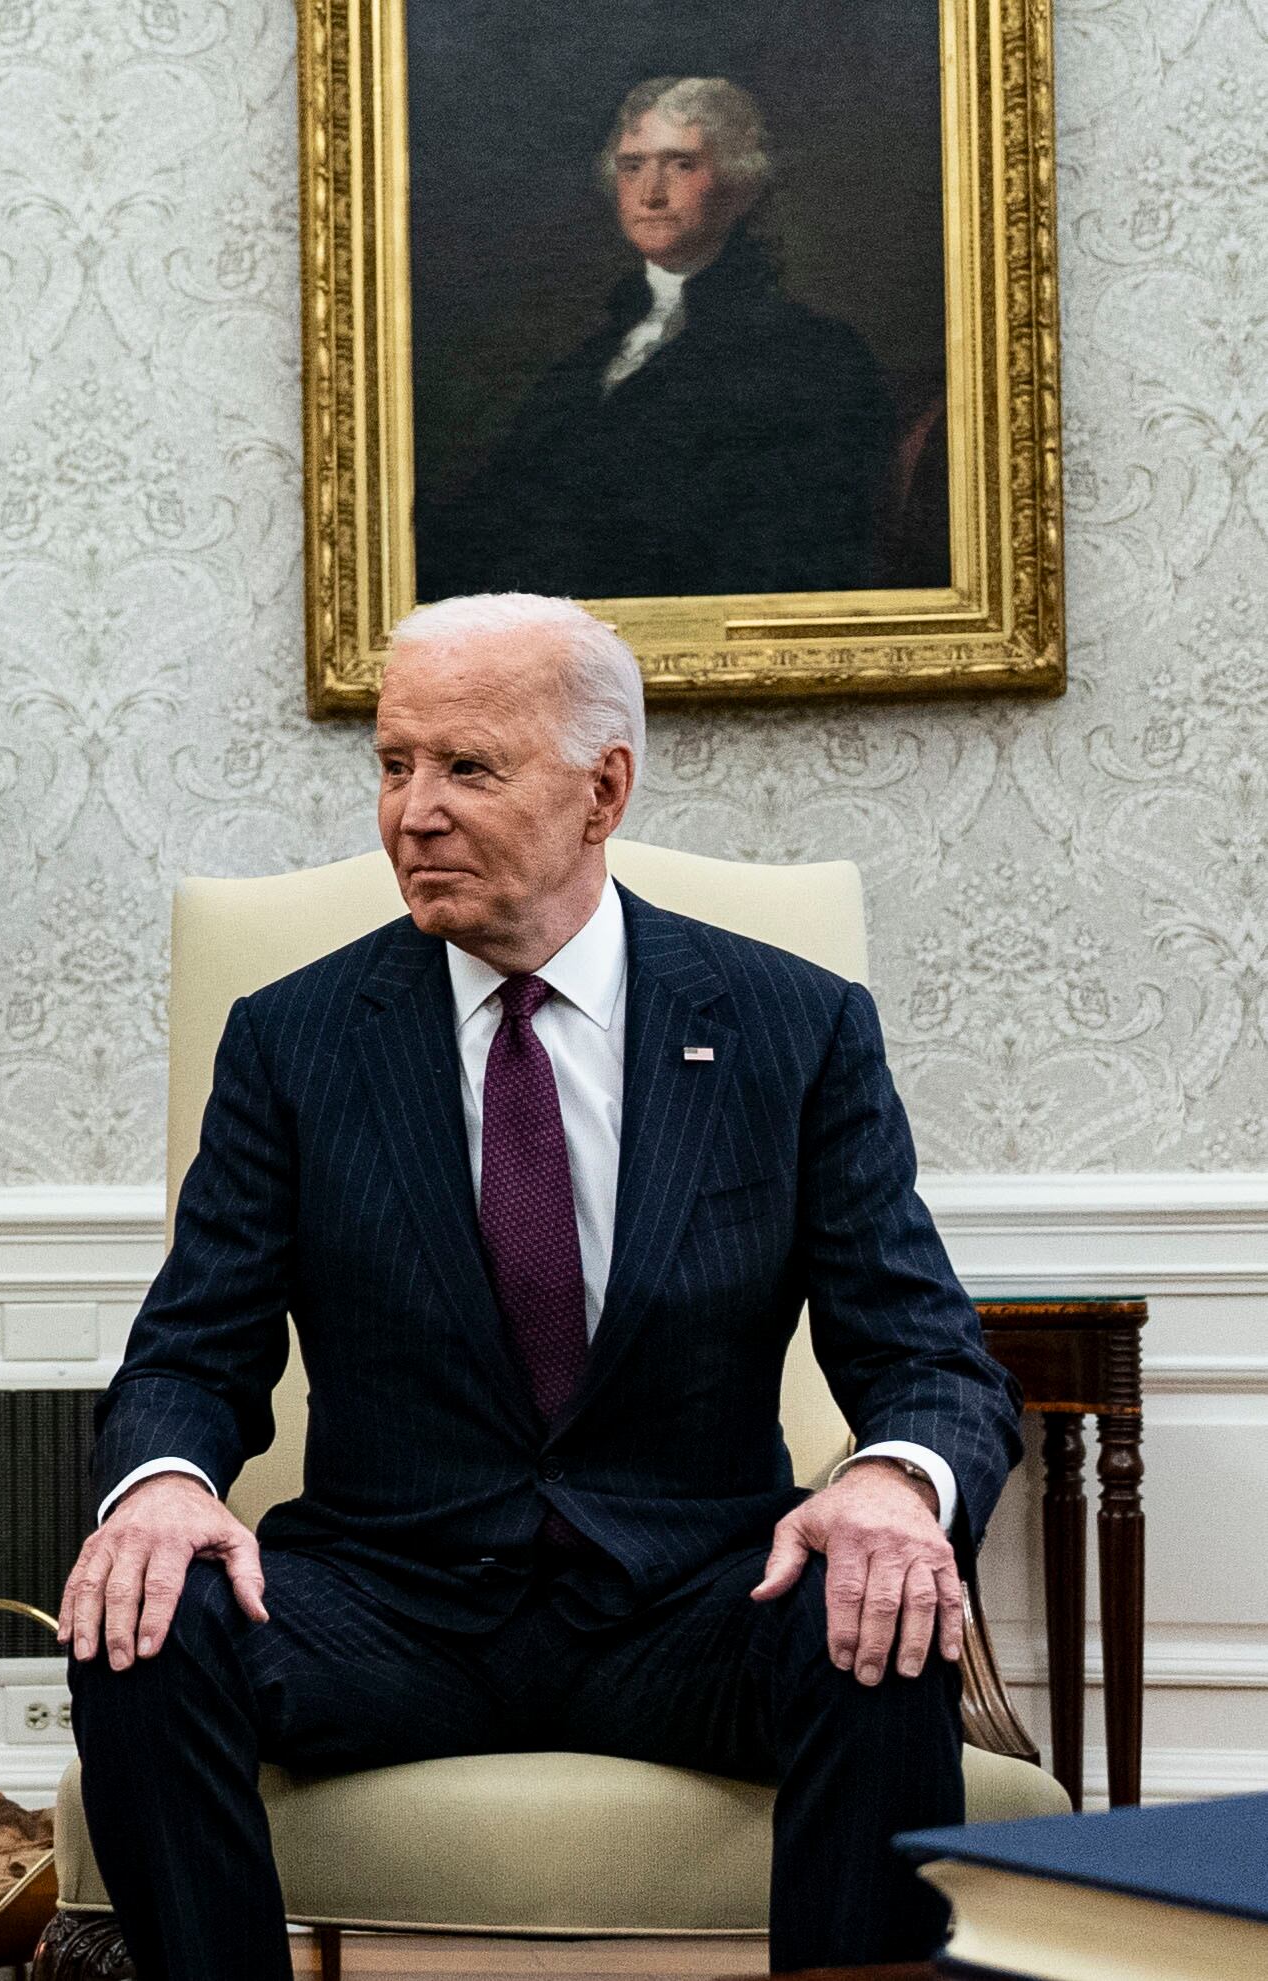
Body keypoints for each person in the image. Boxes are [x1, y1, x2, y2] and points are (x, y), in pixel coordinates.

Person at [58, 591, 1020, 1976]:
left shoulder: (786, 1028)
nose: (411, 812)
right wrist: (158, 1486)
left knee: (871, 1609)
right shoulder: (294, 1039)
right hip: (390, 1602)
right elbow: (189, 1356)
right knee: (143, 1623)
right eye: (393, 764)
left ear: (599, 789)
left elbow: (925, 1354)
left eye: (465, 767)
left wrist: (889, 1483)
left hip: (693, 1600)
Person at [418, 78, 895, 601]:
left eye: (681, 164)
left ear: (739, 185)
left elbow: (792, 560)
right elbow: (496, 513)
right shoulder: (593, 355)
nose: (651, 192)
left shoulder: (813, 356)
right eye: (632, 166)